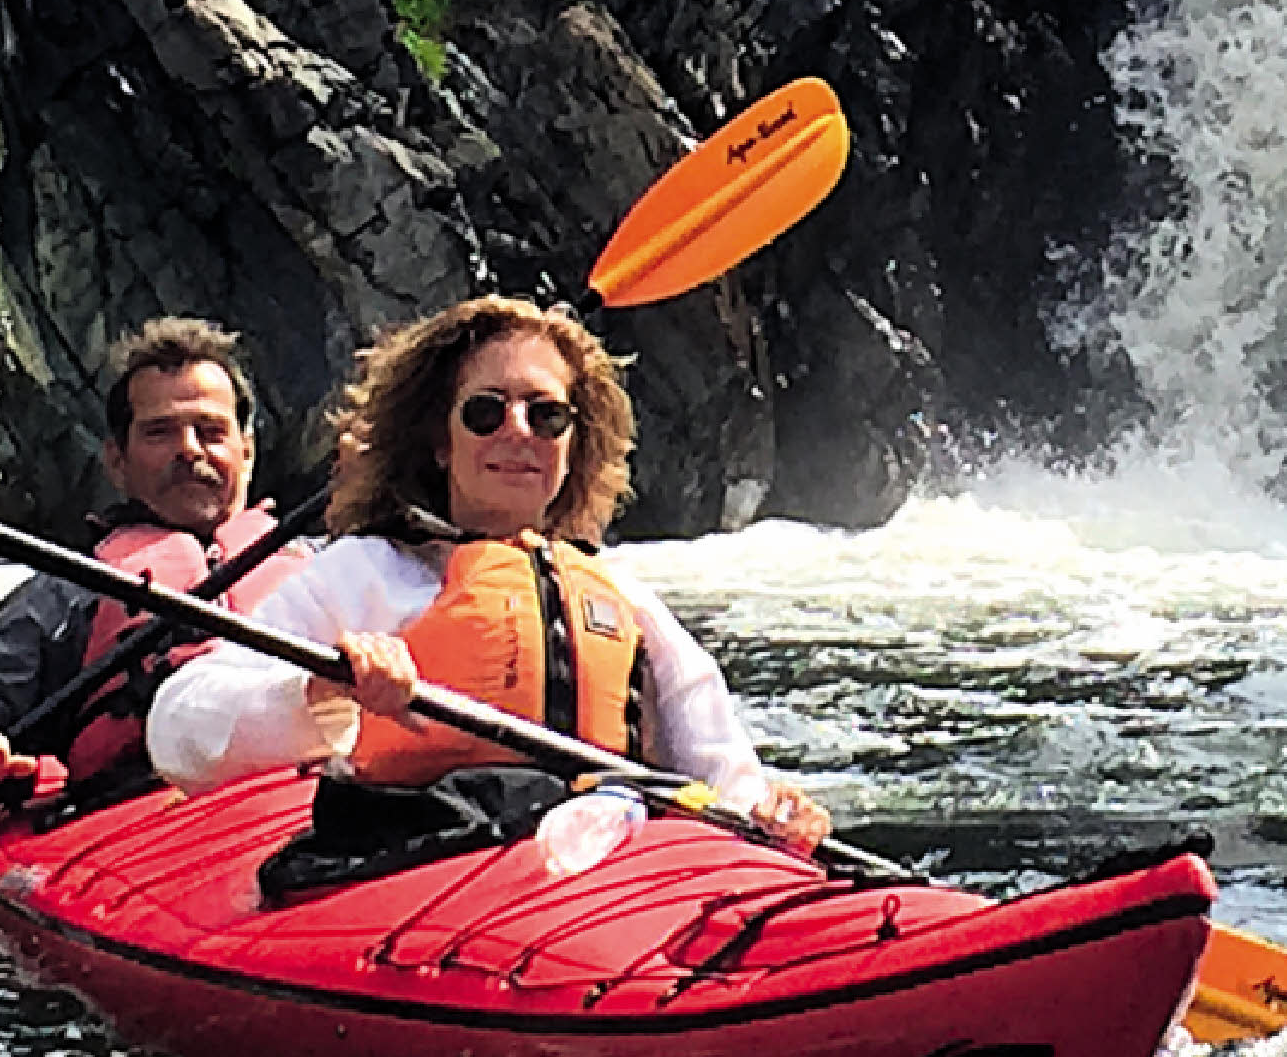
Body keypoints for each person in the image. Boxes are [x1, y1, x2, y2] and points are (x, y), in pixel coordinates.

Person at [144, 296, 829, 875]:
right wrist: (322, 691)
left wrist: (767, 811)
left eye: (546, 415)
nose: (518, 432)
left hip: (603, 870)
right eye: (485, 412)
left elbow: (721, 773)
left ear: (571, 445)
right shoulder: (363, 573)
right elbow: (178, 726)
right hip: (418, 862)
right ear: (440, 442)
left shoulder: (616, 595)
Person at [0, 317, 310, 806]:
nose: (189, 449)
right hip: (141, 822)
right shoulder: (62, 597)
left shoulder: (325, 571)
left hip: (313, 797)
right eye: (159, 433)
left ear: (247, 452)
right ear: (118, 462)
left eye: (211, 430)